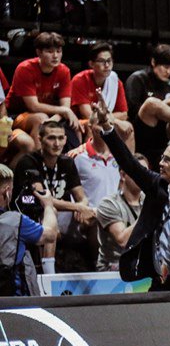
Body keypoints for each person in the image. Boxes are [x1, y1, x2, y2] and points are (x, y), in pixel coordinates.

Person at [90, 98, 170, 291]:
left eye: (167, 160)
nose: (160, 163)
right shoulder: (157, 186)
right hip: (158, 282)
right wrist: (107, 126)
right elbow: (128, 163)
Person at [13, 121, 95, 274]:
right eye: (51, 138)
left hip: (62, 216)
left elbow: (81, 197)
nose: (57, 143)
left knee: (95, 215)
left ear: (65, 139)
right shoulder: (28, 162)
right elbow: (44, 198)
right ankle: (49, 274)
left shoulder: (67, 163)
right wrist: (77, 207)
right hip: (31, 213)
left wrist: (82, 207)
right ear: (40, 139)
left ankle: (99, 266)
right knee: (51, 213)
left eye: (61, 138)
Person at [4, 32, 81, 160]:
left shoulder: (64, 71)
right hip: (16, 115)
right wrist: (63, 111)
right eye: (50, 51)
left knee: (76, 126)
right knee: (40, 118)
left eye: (58, 51)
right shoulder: (25, 69)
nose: (55, 56)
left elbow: (65, 106)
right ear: (39, 52)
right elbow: (33, 106)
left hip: (48, 116)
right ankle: (40, 165)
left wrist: (53, 120)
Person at [0, 162, 57, 296]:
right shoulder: (14, 221)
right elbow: (50, 235)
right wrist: (48, 205)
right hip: (13, 300)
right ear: (7, 192)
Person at [71, 42, 134, 150]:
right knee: (96, 127)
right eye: (102, 61)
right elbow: (87, 114)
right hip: (81, 121)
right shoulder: (80, 80)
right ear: (91, 64)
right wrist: (115, 121)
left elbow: (123, 114)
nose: (107, 65)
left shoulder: (115, 82)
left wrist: (112, 120)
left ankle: (128, 166)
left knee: (128, 128)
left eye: (109, 61)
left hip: (105, 120)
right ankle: (90, 162)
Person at [94, 153, 148, 272]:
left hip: (141, 264)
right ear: (123, 175)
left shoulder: (148, 200)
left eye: (145, 171)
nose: (142, 176)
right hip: (113, 267)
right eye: (137, 171)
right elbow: (123, 241)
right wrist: (148, 211)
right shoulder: (108, 204)